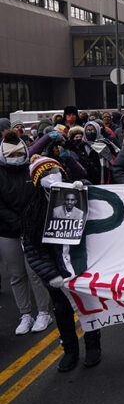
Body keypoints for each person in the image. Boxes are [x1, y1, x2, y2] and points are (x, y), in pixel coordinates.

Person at [22, 156, 101, 371]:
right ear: (37, 181)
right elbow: (32, 247)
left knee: (88, 307)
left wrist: (84, 188)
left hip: (78, 267)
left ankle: (93, 346)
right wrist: (50, 275)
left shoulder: (74, 192)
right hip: (55, 272)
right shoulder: (33, 209)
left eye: (54, 171)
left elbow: (101, 203)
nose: (52, 177)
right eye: (45, 174)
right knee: (62, 311)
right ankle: (70, 351)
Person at [0, 130, 52, 335]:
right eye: (11, 155)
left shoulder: (31, 169)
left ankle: (43, 312)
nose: (16, 158)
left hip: (32, 229)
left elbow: (41, 195)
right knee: (16, 274)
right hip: (7, 230)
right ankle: (25, 314)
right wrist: (15, 221)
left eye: (19, 154)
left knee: (35, 272)